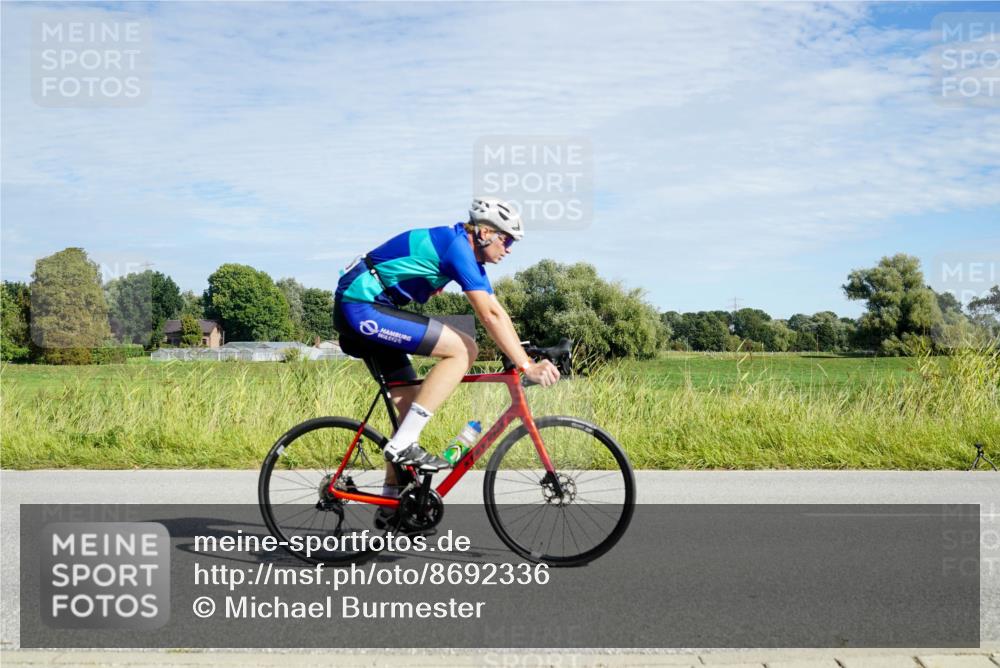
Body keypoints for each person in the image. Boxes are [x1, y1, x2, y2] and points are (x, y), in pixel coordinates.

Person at [333, 196, 561, 495]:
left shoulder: (464, 252)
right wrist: (526, 367)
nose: (508, 249)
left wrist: (523, 352)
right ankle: (404, 445)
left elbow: (498, 311)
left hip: (374, 307)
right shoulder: (457, 248)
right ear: (484, 232)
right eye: (506, 240)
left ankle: (392, 503)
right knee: (464, 349)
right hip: (361, 306)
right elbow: (488, 316)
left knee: (408, 404)